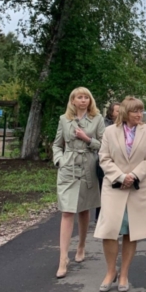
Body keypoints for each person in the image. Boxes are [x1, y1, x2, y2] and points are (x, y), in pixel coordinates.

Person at [94, 96, 146, 292]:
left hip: (138, 187)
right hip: (115, 186)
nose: (139, 114)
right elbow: (104, 158)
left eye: (141, 111)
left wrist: (134, 176)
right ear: (125, 112)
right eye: (135, 111)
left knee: (132, 230)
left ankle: (124, 274)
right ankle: (110, 271)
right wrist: (121, 177)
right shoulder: (109, 132)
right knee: (109, 230)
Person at [53, 87, 105, 278]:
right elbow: (57, 144)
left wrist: (87, 139)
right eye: (79, 97)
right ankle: (63, 258)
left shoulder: (97, 119)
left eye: (86, 97)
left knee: (83, 209)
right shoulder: (64, 119)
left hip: (88, 166)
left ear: (90, 101)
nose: (83, 100)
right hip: (68, 167)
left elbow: (104, 144)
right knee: (67, 211)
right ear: (73, 100)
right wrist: (59, 161)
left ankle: (81, 245)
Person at [94, 102, 121, 223]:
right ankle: (99, 217)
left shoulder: (124, 125)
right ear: (111, 112)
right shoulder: (104, 125)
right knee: (102, 190)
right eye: (117, 111)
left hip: (119, 163)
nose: (119, 113)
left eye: (121, 111)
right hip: (103, 162)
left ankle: (115, 218)